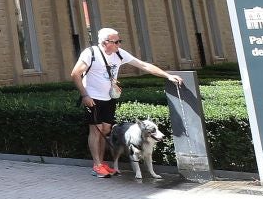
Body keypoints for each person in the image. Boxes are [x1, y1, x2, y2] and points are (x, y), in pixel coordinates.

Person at [70, 26, 185, 176]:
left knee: (105, 130)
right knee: (95, 130)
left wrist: (167, 76)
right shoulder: (90, 53)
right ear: (105, 42)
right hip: (93, 97)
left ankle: (102, 163)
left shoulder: (119, 54)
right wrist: (85, 95)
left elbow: (143, 65)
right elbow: (75, 74)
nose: (119, 44)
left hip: (110, 97)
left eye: (119, 41)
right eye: (116, 41)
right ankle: (97, 165)